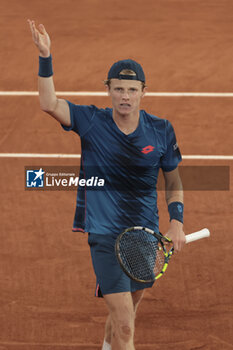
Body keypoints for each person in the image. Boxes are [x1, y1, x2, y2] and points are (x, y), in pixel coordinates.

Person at [28, 19, 186, 350]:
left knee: (127, 312)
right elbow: (48, 104)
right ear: (108, 90)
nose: (125, 96)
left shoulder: (161, 131)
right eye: (118, 88)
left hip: (144, 236)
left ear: (144, 91)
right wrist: (46, 56)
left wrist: (176, 220)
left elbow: (173, 179)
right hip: (104, 236)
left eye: (131, 89)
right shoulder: (91, 121)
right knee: (127, 326)